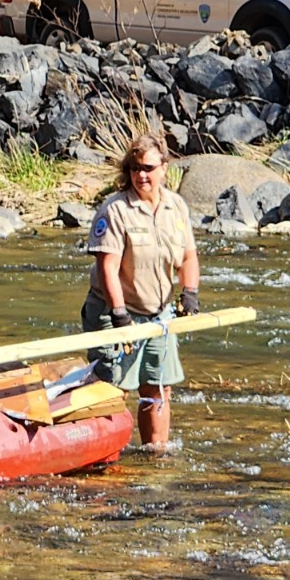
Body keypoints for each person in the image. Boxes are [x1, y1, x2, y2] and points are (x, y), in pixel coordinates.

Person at [81, 133, 200, 448]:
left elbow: (187, 256)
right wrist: (120, 317)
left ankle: (154, 454)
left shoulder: (176, 207)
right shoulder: (115, 210)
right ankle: (102, 458)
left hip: (159, 316)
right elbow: (107, 268)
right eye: (135, 168)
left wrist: (190, 293)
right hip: (116, 313)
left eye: (148, 167)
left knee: (157, 388)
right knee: (111, 390)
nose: (141, 175)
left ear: (164, 168)